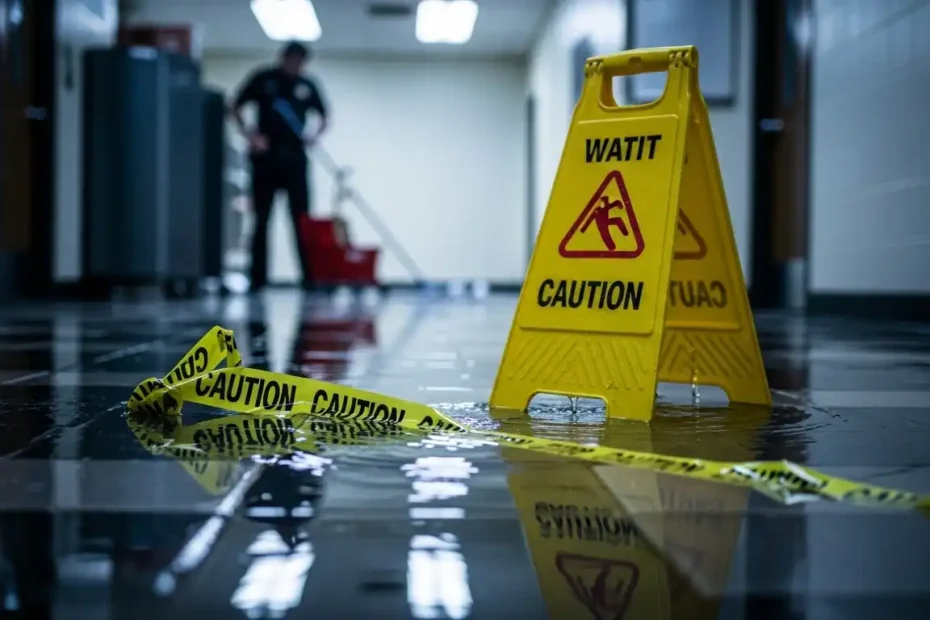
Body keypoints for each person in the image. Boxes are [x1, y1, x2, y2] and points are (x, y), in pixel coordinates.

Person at [229, 41, 329, 293]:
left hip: (295, 158)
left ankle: (310, 280)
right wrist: (251, 136)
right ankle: (258, 279)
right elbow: (235, 105)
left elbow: (325, 116)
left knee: (301, 220)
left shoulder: (308, 86)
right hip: (266, 159)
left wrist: (314, 136)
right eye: (293, 60)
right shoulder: (264, 79)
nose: (297, 66)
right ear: (283, 58)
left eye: (301, 62)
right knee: (262, 219)